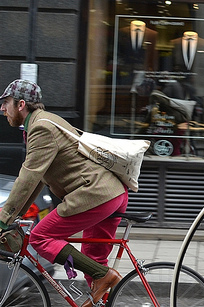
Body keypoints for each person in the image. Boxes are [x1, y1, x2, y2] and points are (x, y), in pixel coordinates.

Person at [0, 79, 128, 307]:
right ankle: (98, 290)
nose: (2, 108)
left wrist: (4, 218)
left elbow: (28, 175)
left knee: (40, 237)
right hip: (110, 193)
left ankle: (105, 276)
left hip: (96, 195)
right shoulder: (44, 122)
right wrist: (15, 214)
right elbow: (37, 179)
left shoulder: (41, 128)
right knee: (92, 257)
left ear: (21, 105)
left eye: (5, 102)